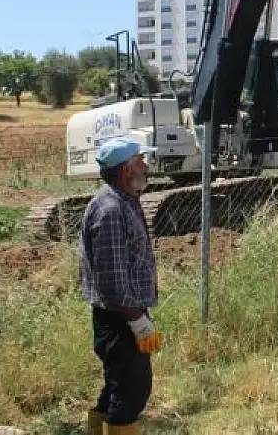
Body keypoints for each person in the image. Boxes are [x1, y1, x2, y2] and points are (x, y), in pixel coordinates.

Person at [80, 137, 164, 435]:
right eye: (141, 160)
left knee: (118, 385)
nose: (146, 165)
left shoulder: (125, 201)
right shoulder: (111, 210)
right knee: (132, 391)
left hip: (124, 315)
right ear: (126, 170)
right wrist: (139, 323)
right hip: (119, 319)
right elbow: (112, 285)